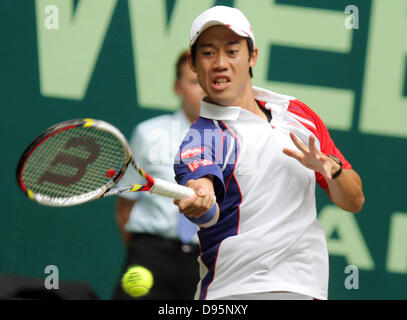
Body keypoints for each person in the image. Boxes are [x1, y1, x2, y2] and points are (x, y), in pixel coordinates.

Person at [173, 6, 365, 300]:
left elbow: (354, 201)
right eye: (208, 53)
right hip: (239, 292)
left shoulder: (297, 115)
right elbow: (201, 186)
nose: (220, 63)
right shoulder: (205, 135)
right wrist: (201, 197)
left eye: (232, 51)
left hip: (305, 286)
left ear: (252, 56)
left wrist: (332, 169)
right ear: (194, 64)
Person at [112, 50, 205, 300]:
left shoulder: (235, 141)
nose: (203, 89)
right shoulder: (148, 133)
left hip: (207, 261)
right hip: (150, 256)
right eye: (195, 81)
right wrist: (145, 251)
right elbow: (124, 209)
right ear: (178, 87)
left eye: (208, 80)